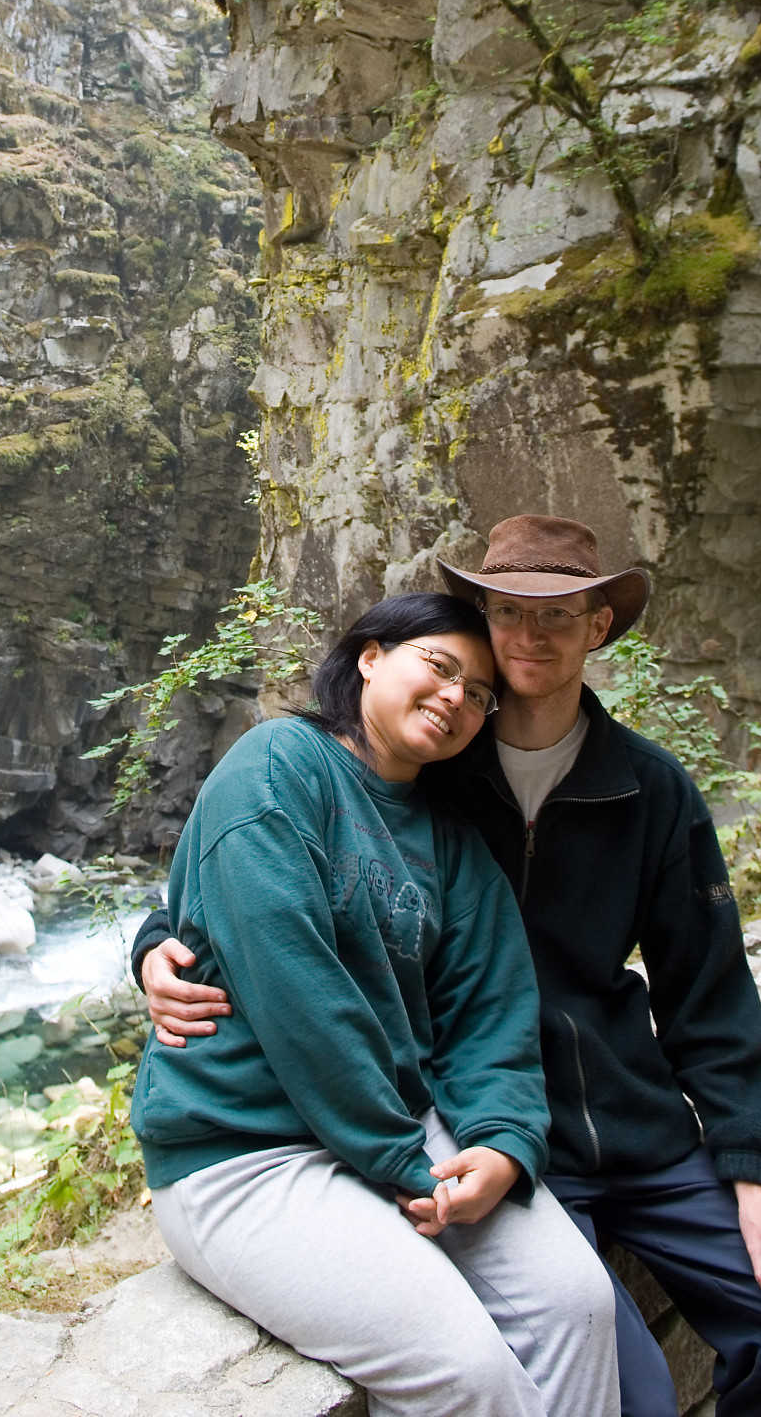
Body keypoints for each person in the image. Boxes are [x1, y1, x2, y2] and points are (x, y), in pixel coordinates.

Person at [133, 516, 761, 1417]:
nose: (528, 635)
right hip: (445, 1118)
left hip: (605, 1121)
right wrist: (157, 939)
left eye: (558, 613)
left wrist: (749, 1167)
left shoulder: (642, 788)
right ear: (378, 655)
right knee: (616, 1384)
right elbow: (253, 888)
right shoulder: (430, 768)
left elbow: (705, 987)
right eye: (507, 612)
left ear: (599, 625)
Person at [131, 589, 619, 1417]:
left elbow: (491, 1015)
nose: (456, 697)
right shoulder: (278, 764)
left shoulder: (452, 841)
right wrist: (403, 1164)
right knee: (466, 1368)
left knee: (579, 1303)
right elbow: (298, 994)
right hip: (245, 1146)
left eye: (479, 693)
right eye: (439, 666)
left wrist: (502, 1144)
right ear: (369, 657)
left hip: (403, 1129)